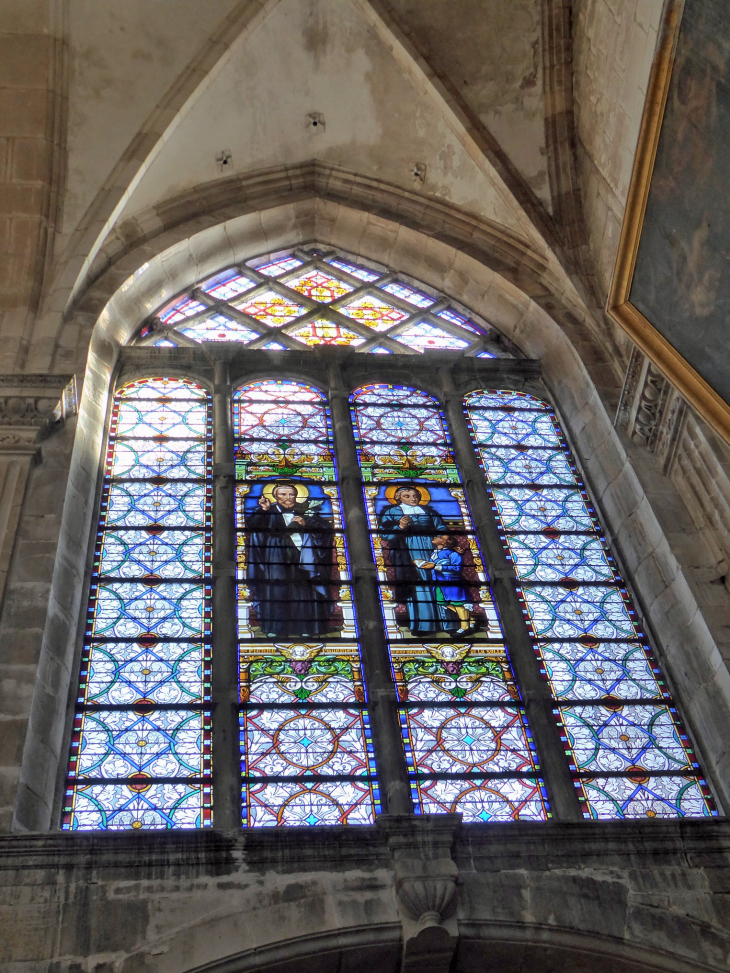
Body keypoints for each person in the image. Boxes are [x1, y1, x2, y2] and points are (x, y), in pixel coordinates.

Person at [246, 481, 334, 637]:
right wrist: (263, 510)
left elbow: (325, 530)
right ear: (275, 497)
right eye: (283, 494)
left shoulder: (306, 510)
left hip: (303, 558)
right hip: (276, 557)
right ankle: (277, 629)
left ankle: (306, 629)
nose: (288, 498)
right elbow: (252, 526)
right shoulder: (267, 510)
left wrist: (306, 523)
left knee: (304, 591)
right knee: (277, 591)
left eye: (291, 494)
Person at [378, 485, 459, 636]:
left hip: (434, 549)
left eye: (415, 495)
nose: (413, 499)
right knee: (418, 586)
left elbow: (442, 529)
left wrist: (445, 543)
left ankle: (448, 624)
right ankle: (424, 626)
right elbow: (385, 535)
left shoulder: (429, 512)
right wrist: (400, 526)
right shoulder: (391, 512)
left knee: (440, 583)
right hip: (408, 552)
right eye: (407, 496)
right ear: (398, 498)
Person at [423, 535, 474, 636]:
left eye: (441, 537)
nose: (436, 537)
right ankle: (471, 620)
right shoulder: (435, 553)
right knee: (441, 601)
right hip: (439, 582)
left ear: (445, 543)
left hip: (452, 583)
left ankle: (465, 628)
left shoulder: (453, 554)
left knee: (458, 604)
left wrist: (437, 566)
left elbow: (457, 569)